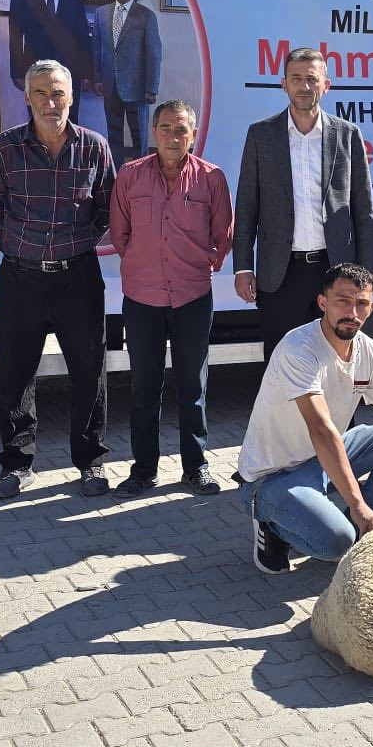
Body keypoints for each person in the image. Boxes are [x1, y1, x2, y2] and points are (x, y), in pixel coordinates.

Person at [235, 264, 373, 574]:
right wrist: (360, 505)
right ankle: (274, 524)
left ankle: (354, 528)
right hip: (273, 476)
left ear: (371, 308)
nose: (352, 311)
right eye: (342, 301)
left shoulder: (371, 353)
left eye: (361, 303)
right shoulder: (299, 349)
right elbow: (321, 430)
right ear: (323, 303)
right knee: (335, 544)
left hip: (322, 460)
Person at [0, 60, 117, 498]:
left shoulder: (94, 147)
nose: (50, 101)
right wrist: (23, 246)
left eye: (58, 92)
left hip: (79, 277)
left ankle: (91, 463)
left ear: (71, 97)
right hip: (21, 278)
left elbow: (107, 209)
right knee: (16, 373)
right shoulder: (5, 148)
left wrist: (75, 243)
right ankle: (16, 465)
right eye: (41, 93)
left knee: (89, 372)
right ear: (27, 97)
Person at [108, 100, 231, 498]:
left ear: (192, 134)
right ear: (153, 132)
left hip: (193, 295)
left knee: (192, 386)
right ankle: (143, 470)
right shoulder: (129, 176)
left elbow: (222, 236)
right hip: (142, 297)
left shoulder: (211, 178)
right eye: (165, 128)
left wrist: (196, 265)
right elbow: (119, 234)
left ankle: (195, 468)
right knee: (144, 387)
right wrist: (147, 267)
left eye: (181, 130)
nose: (173, 136)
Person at [233, 48, 373, 356]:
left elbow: (364, 210)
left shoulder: (347, 135)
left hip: (335, 269)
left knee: (336, 361)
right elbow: (246, 207)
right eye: (296, 78)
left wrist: (367, 275)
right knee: (283, 362)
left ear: (326, 85)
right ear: (283, 84)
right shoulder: (261, 135)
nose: (304, 86)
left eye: (312, 79)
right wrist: (242, 267)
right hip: (280, 274)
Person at [7, 0, 99, 124]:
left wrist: (87, 73)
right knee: (37, 120)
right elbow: (15, 34)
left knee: (69, 120)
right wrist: (16, 71)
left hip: (69, 70)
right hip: (33, 68)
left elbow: (82, 35)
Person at [93, 0, 162, 161]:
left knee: (139, 137)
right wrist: (97, 78)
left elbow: (154, 54)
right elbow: (97, 49)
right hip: (109, 86)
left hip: (138, 88)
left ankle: (141, 176)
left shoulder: (146, 16)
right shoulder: (101, 13)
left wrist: (152, 87)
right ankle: (115, 175)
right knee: (113, 135)